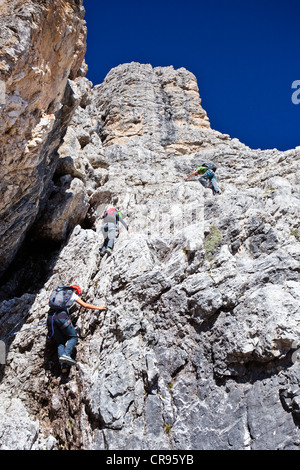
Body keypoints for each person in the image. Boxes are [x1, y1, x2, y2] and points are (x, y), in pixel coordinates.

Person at [47, 285, 106, 372]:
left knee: (60, 342)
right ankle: (66, 355)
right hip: (61, 318)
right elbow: (85, 305)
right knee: (73, 337)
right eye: (78, 293)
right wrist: (99, 308)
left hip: (50, 319)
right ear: (76, 291)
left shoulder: (58, 294)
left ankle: (64, 366)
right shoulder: (72, 294)